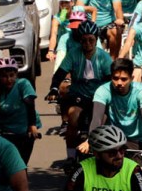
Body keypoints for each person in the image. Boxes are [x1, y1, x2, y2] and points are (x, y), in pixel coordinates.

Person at [48, 21, 114, 163]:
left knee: (103, 122)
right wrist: (53, 87)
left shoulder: (103, 57)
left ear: (96, 40)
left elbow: (110, 79)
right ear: (80, 40)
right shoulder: (73, 54)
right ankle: (71, 156)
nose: (87, 44)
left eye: (91, 40)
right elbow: (60, 73)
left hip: (99, 98)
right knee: (73, 117)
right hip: (79, 96)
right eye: (84, 40)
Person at [86, 58, 142, 151]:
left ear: (132, 78)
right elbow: (96, 119)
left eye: (124, 79)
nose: (119, 83)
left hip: (138, 140)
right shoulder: (103, 90)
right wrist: (89, 141)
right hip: (114, 139)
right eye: (115, 78)